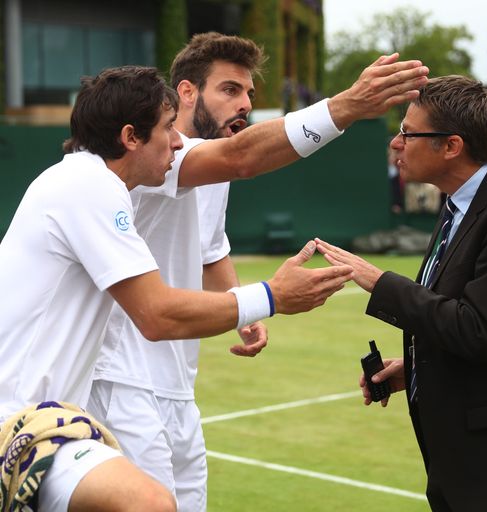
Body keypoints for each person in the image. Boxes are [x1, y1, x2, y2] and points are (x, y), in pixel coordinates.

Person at [0, 52, 428, 510]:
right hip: (35, 418)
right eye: (168, 130)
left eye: (249, 92)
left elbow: (210, 248)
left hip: (74, 412)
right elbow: (157, 314)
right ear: (133, 135)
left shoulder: (104, 179)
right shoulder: (91, 183)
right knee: (150, 503)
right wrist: (270, 296)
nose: (178, 143)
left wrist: (248, 300)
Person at [88, 33, 269, 511]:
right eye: (230, 89)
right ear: (187, 92)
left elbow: (211, 249)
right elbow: (244, 156)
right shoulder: (153, 155)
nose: (245, 103)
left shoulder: (216, 166)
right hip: (120, 377)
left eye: (249, 93)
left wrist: (240, 309)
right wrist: (347, 108)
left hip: (176, 382)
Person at [315, 75, 487, 512]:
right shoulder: (458, 203)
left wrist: (378, 281)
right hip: (453, 460)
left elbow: (478, 330)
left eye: (407, 133)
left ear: (452, 146)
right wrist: (417, 367)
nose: (396, 144)